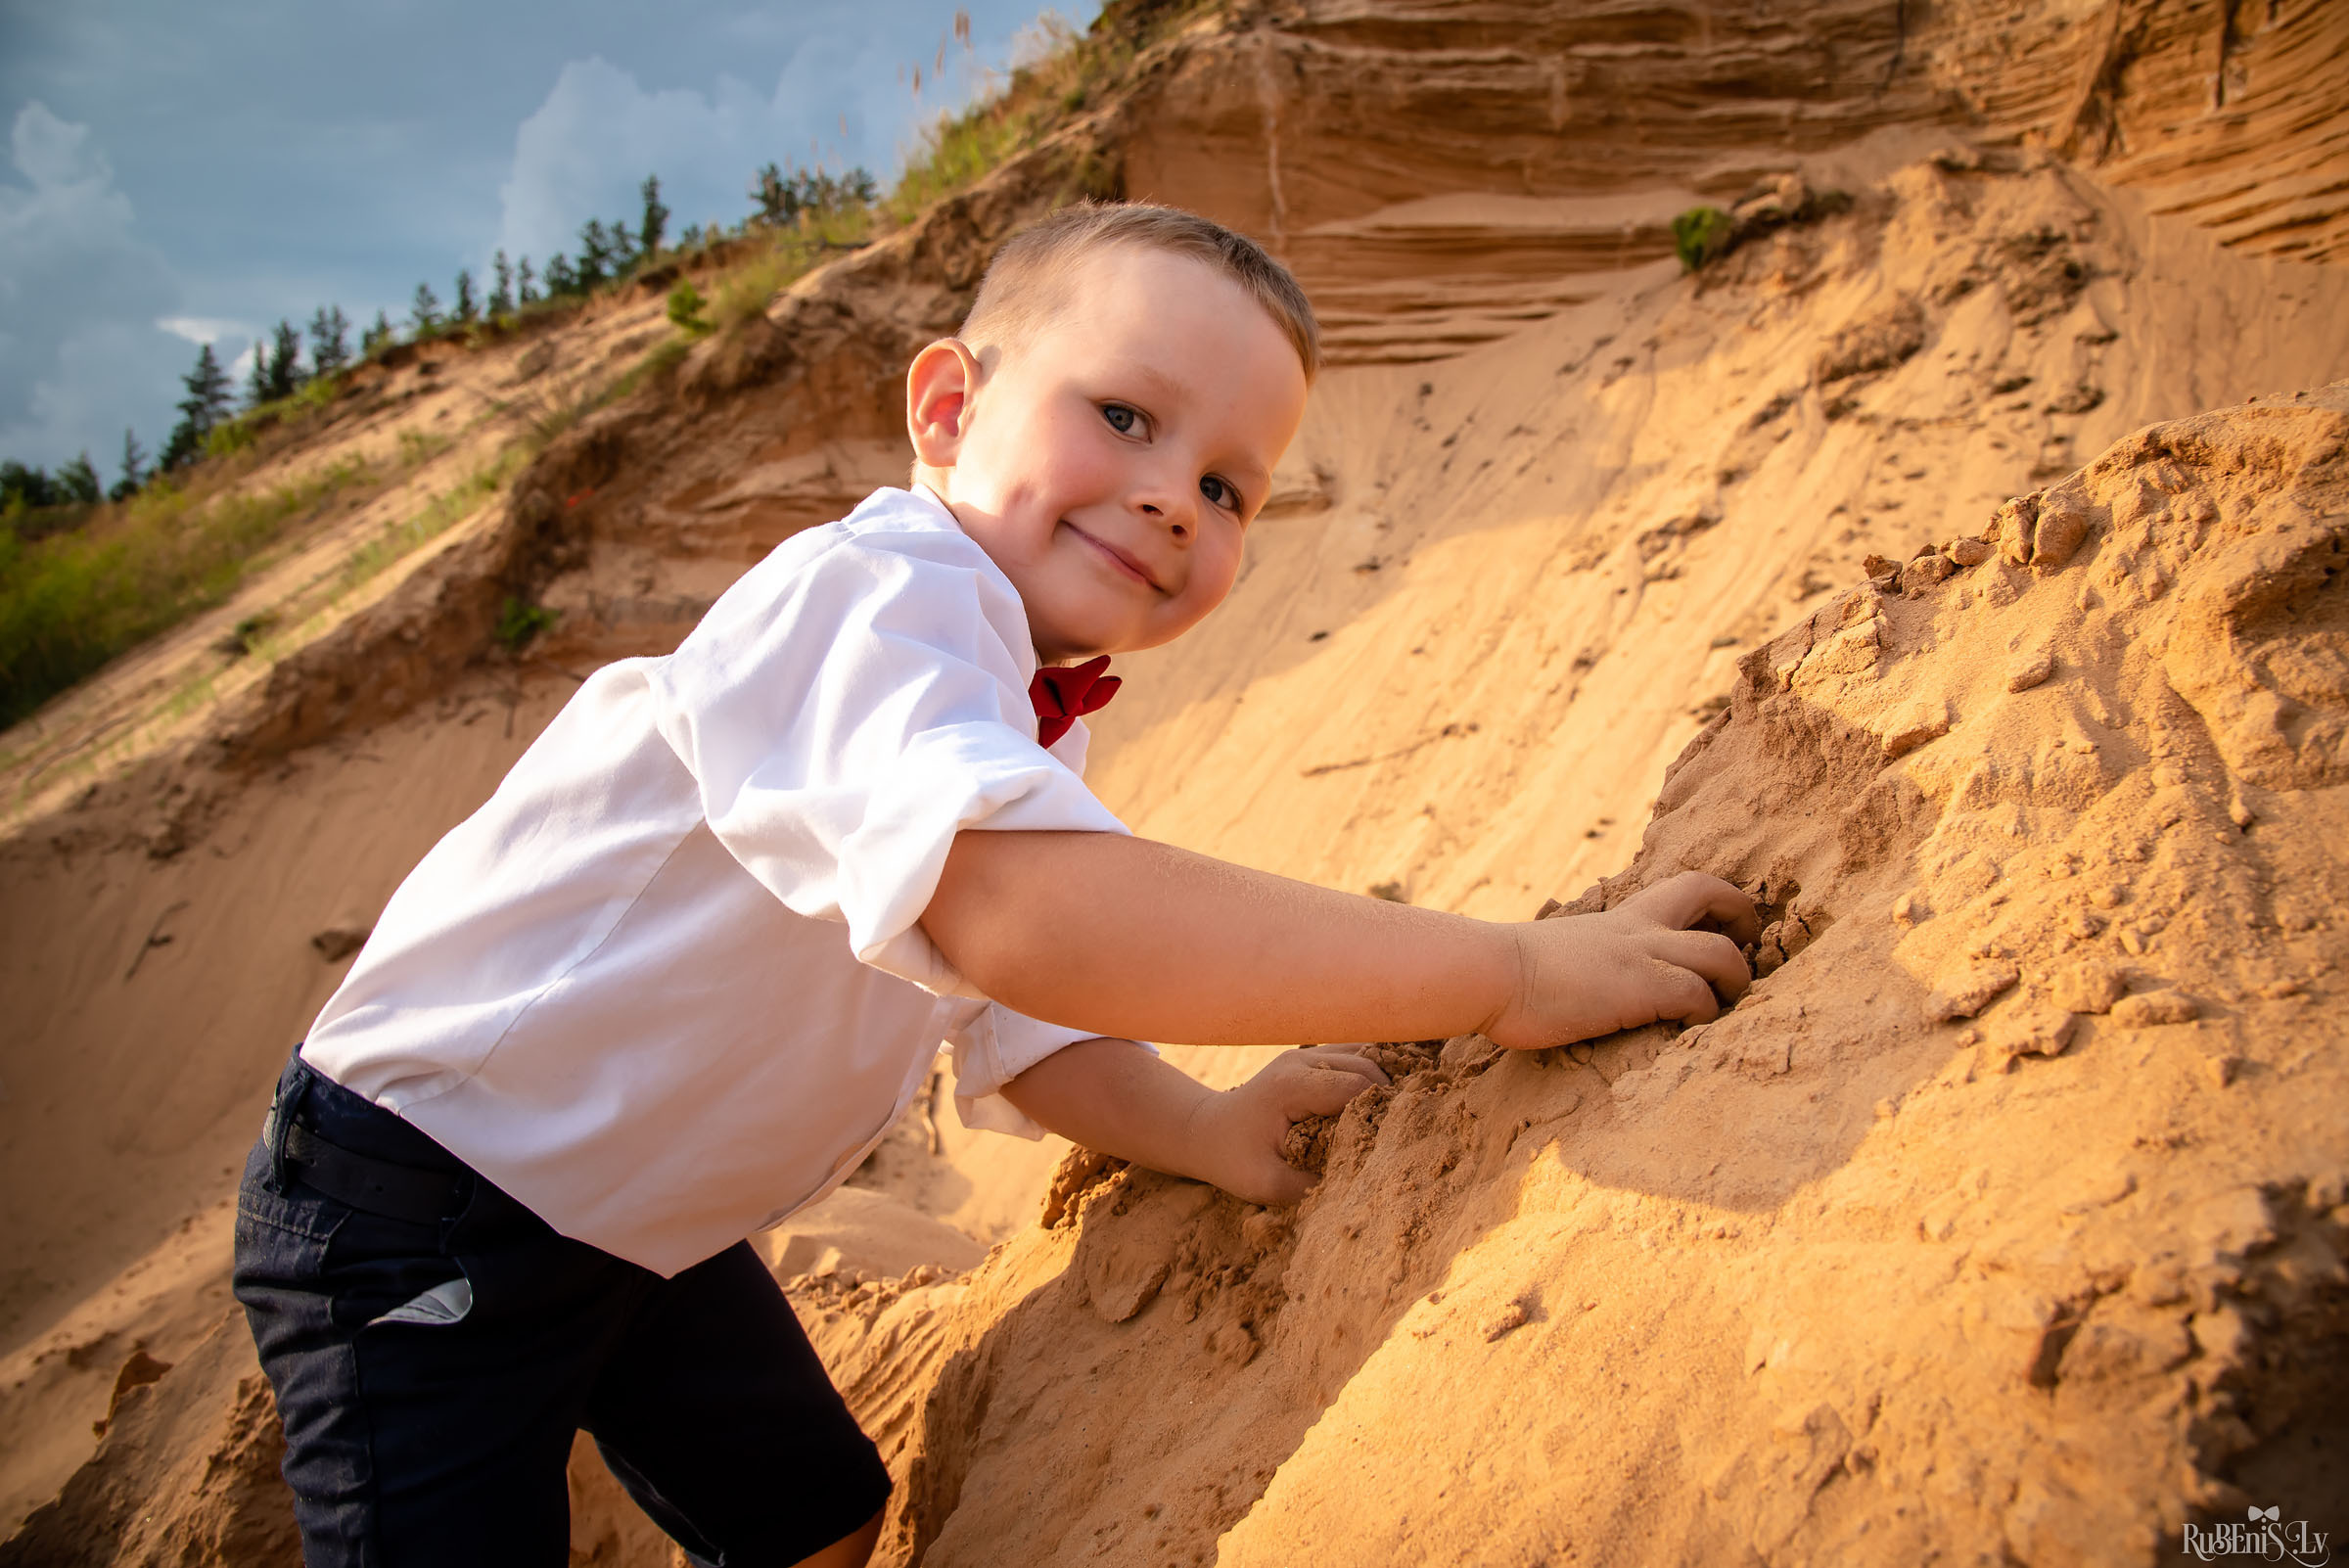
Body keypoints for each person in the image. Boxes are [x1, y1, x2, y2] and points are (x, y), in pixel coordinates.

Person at [233, 202, 1756, 1568]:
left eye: (1232, 486)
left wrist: (1210, 1128)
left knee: (815, 1513)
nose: (1177, 497)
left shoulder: (1016, 702)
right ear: (950, 409)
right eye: (1125, 416)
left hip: (642, 1218)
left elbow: (1026, 1017)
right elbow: (1024, 924)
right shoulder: (867, 598)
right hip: (423, 1195)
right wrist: (1510, 973)